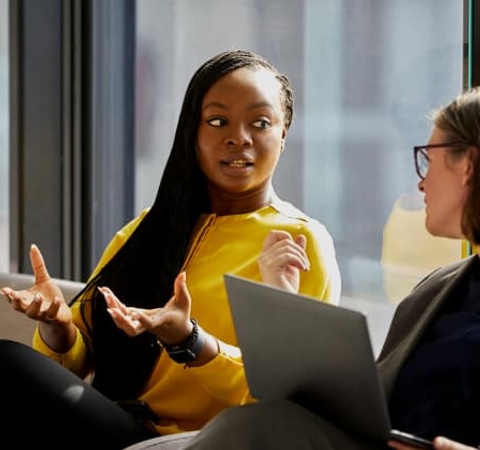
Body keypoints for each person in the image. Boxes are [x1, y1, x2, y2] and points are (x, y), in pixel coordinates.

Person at [0, 49, 341, 449]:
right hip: (115, 422)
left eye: (261, 123)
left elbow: (286, 401)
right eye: (217, 121)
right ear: (192, 133)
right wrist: (57, 325)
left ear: (283, 134)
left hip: (196, 442)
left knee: (8, 364)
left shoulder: (297, 244)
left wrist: (191, 342)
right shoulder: (148, 228)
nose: (238, 137)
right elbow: (78, 361)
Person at [180, 86, 480, 450]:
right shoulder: (439, 288)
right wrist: (283, 302)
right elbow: (368, 404)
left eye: (427, 159)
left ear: (466, 165)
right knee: (261, 422)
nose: (421, 181)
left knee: (255, 428)